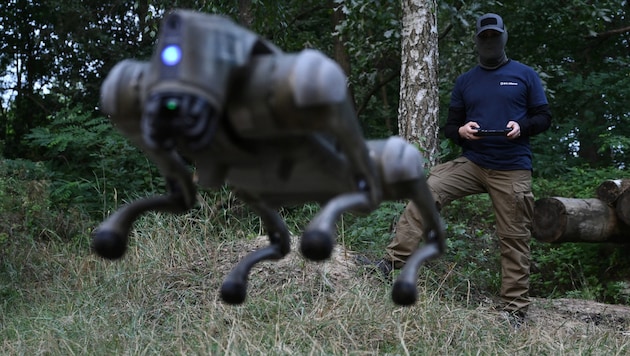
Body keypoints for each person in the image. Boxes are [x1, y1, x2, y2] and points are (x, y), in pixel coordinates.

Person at [372, 13, 551, 320]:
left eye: (495, 36)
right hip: (473, 162)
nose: (490, 42)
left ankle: (514, 310)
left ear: (504, 37)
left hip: (511, 166)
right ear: (478, 41)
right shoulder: (466, 81)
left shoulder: (525, 74)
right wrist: (462, 131)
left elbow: (544, 118)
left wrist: (522, 126)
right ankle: (389, 264)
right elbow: (450, 126)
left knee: (514, 237)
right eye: (484, 37)